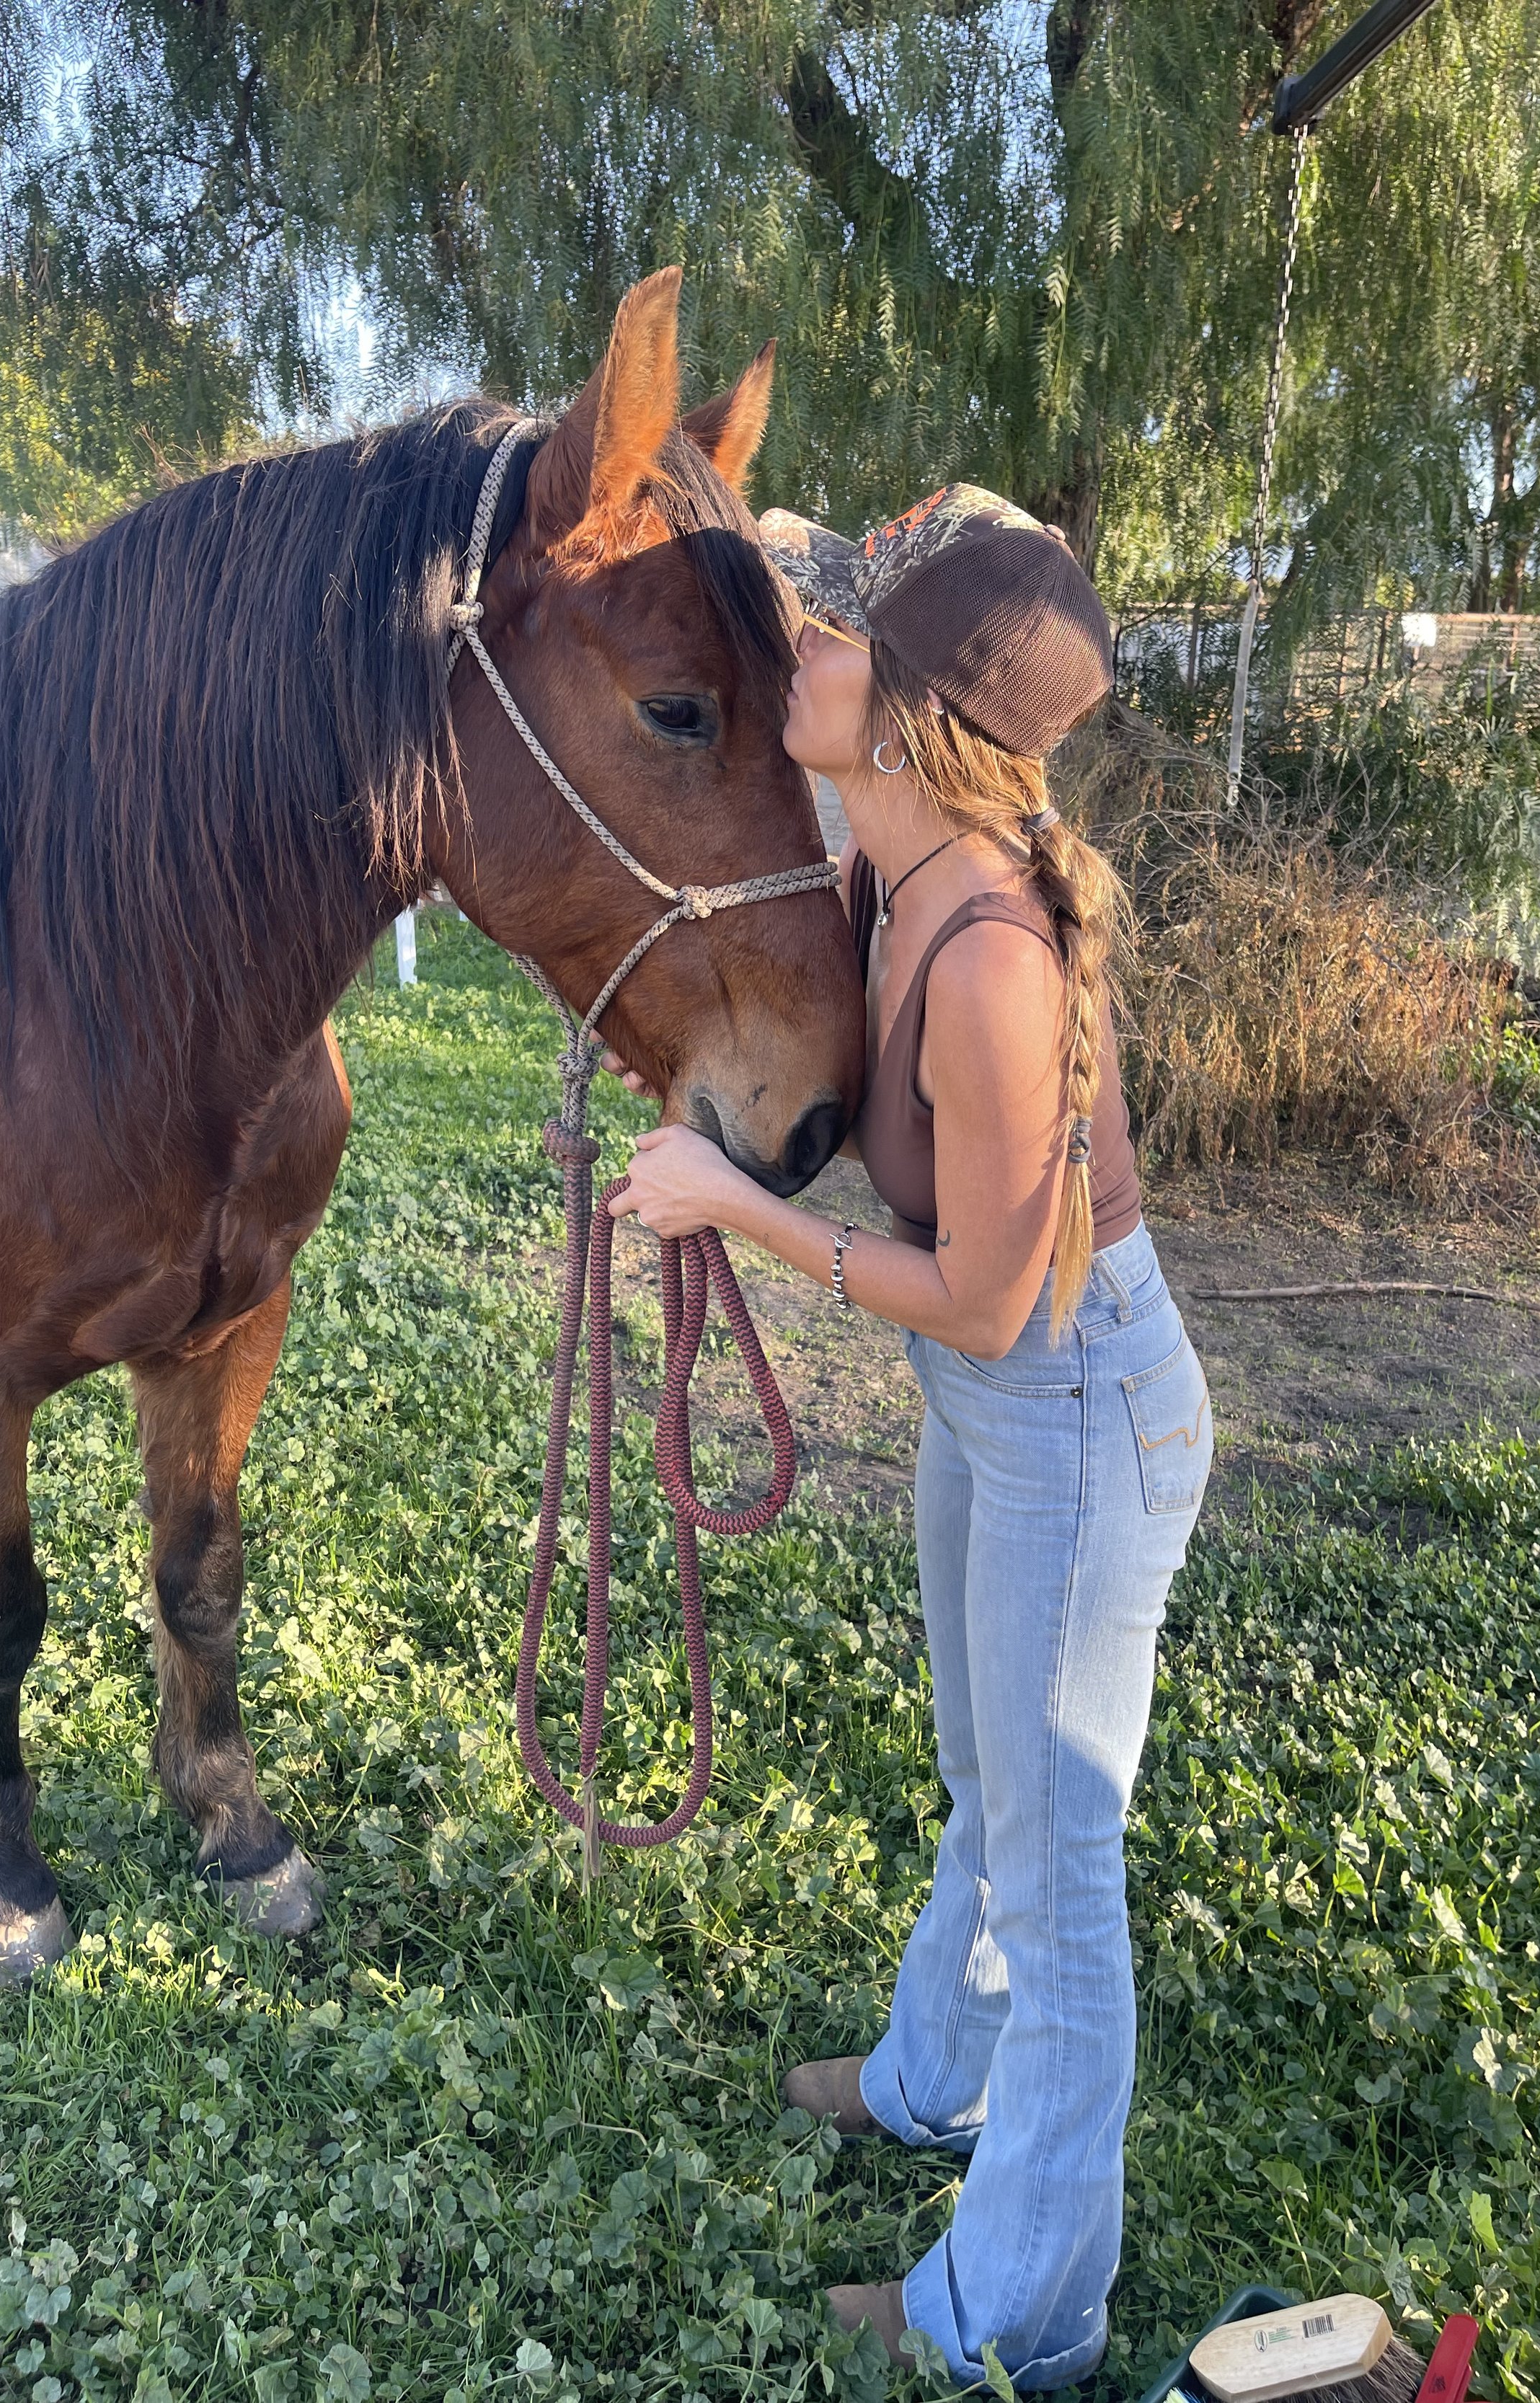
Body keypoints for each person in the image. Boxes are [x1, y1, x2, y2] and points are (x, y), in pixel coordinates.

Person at [606, 483, 1213, 2391]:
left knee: (1059, 1870)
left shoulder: (990, 960)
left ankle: (1019, 2315)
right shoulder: (891, 855)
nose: (804, 642)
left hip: (1067, 1393)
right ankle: (934, 2078)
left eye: (840, 629)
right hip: (1003, 1395)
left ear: (913, 713)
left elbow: (994, 1298)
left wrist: (737, 1215)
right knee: (983, 1772)